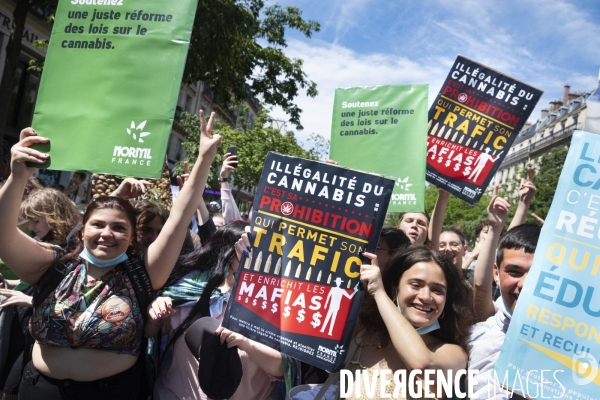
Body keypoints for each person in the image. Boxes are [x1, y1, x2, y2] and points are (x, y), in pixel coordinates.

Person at [0, 111, 221, 399]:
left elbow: (180, 215)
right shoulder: (53, 267)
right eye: (98, 225)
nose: (107, 233)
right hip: (38, 389)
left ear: (131, 238)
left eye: (119, 228)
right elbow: (4, 234)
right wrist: (18, 176)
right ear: (82, 231)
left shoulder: (142, 274)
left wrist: (205, 158)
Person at [151, 222, 293, 400]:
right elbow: (152, 334)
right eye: (251, 249)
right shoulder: (187, 291)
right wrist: (154, 309)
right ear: (226, 251)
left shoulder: (276, 305)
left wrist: (245, 343)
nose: (260, 259)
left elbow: (282, 369)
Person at [329, 245, 472, 399]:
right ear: (394, 289)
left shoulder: (456, 354)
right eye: (416, 285)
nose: (425, 297)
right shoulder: (363, 334)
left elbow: (421, 363)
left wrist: (379, 293)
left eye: (437, 290)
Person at [467, 224, 541, 399]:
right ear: (496, 274)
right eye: (514, 272)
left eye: (538, 273)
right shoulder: (474, 338)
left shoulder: (582, 349)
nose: (524, 284)